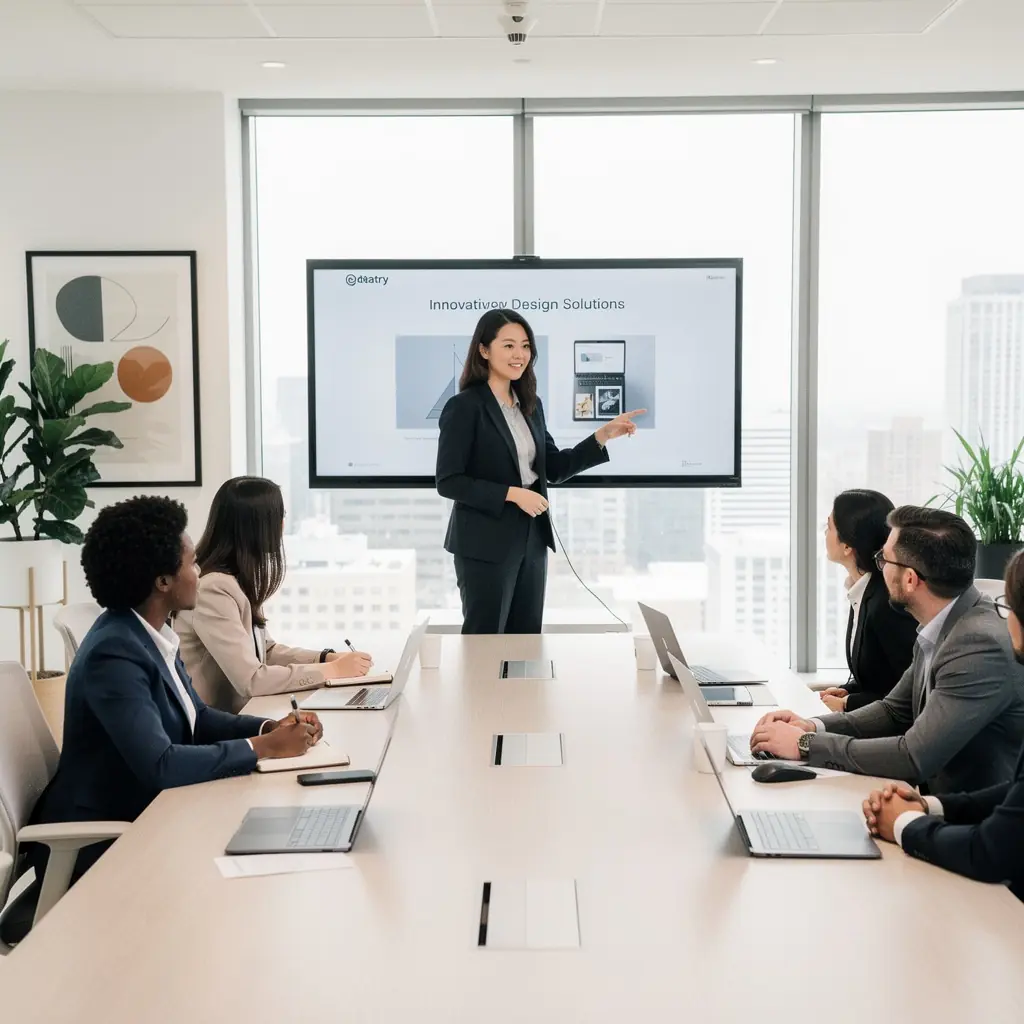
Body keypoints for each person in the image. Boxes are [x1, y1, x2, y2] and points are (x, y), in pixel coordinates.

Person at [19, 497, 321, 909]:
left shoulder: (147, 633)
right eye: (193, 563)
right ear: (163, 581)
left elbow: (196, 718)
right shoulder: (116, 653)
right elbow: (161, 765)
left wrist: (268, 729)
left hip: (153, 817)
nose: (199, 573)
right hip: (107, 841)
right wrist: (262, 750)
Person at [750, 506, 1024, 795]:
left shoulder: (977, 646)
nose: (879, 568)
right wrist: (812, 727)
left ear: (910, 579)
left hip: (974, 824)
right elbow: (893, 711)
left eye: (884, 559)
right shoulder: (943, 622)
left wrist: (804, 746)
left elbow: (913, 756)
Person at [436, 309, 644, 634]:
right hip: (484, 544)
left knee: (526, 640)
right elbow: (449, 481)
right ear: (484, 350)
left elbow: (556, 468)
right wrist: (513, 494)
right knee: (485, 640)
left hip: (532, 540)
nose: (519, 354)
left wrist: (602, 436)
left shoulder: (530, 404)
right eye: (508, 346)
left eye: (525, 346)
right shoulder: (464, 407)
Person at [863, 550, 1024, 901]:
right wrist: (931, 807)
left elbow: (989, 852)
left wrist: (904, 824)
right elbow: (1015, 792)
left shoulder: (976, 641)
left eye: (1007, 607)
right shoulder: (934, 632)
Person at [174, 476, 373, 713]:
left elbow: (265, 651)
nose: (282, 525)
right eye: (279, 516)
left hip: (241, 715)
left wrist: (325, 658)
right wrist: (334, 671)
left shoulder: (235, 580)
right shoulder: (213, 589)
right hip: (213, 728)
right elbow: (252, 679)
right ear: (258, 526)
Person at [819, 489, 919, 712]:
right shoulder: (864, 589)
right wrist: (850, 690)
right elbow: (878, 676)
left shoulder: (888, 603)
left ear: (847, 546)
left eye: (830, 527)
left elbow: (908, 692)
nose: (825, 533)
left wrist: (848, 703)